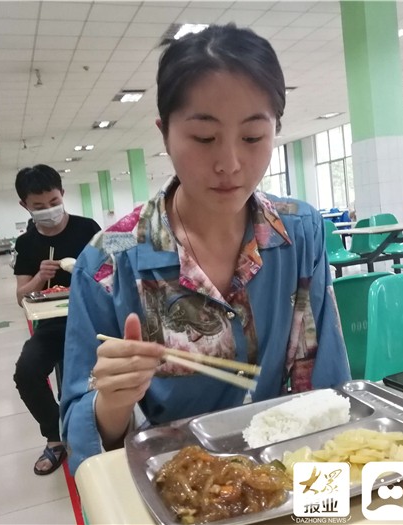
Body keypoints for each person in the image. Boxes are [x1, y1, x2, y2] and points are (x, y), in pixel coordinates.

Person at [60, 24, 352, 474]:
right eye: (203, 138)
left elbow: (323, 377)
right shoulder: (107, 261)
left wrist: (326, 497)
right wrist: (113, 401)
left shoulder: (299, 231)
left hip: (290, 467)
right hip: (178, 484)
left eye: (253, 138)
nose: (230, 164)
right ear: (165, 134)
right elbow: (85, 433)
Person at [13, 164, 101, 475]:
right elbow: (21, 295)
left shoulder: (87, 228)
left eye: (53, 202)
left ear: (62, 195)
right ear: (25, 206)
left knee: (99, 373)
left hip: (92, 318)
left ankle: (105, 430)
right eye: (39, 207)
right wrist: (40, 277)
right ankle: (55, 437)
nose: (49, 210)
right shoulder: (26, 244)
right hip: (51, 324)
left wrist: (88, 273)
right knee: (26, 372)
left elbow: (110, 272)